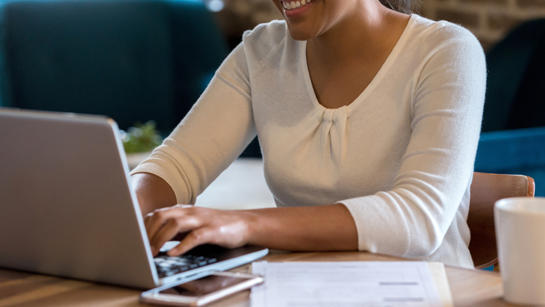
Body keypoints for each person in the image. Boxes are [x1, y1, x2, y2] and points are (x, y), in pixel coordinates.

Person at [131, 0, 486, 268]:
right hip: (299, 289)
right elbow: (175, 166)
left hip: (424, 292)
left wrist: (242, 222)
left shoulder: (446, 51)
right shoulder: (261, 53)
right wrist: (121, 209)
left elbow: (418, 218)